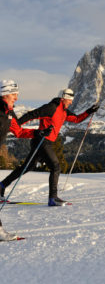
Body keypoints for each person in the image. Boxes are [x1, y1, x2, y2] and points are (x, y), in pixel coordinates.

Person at [0, 88, 99, 207]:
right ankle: (53, 198)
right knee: (55, 166)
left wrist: (89, 111)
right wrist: (16, 125)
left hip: (45, 142)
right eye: (69, 100)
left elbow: (76, 119)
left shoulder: (64, 111)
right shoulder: (51, 107)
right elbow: (32, 114)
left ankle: (1, 185)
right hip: (42, 141)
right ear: (63, 98)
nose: (71, 102)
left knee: (26, 167)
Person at [0, 80, 51, 241]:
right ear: (5, 93)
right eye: (14, 94)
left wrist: (38, 133)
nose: (17, 98)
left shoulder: (9, 112)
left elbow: (19, 132)